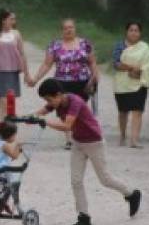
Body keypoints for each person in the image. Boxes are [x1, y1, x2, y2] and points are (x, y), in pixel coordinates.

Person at [33, 78, 142, 225]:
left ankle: (131, 194)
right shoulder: (57, 102)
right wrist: (29, 117)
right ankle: (83, 217)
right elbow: (42, 111)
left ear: (58, 94)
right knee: (76, 180)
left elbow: (67, 126)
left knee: (105, 179)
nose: (48, 103)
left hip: (94, 143)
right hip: (78, 143)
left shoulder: (74, 102)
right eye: (46, 100)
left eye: (49, 99)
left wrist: (45, 122)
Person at [29, 18, 98, 149]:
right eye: (65, 28)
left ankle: (79, 134)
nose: (68, 30)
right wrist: (36, 78)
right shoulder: (55, 45)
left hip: (82, 81)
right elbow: (47, 64)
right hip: (62, 82)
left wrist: (94, 78)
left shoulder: (85, 44)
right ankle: (69, 139)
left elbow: (92, 62)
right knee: (63, 110)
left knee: (78, 109)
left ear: (75, 28)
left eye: (71, 27)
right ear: (62, 30)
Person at [0, 9, 30, 123]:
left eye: (14, 19)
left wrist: (27, 74)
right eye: (11, 19)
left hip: (11, 75)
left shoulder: (16, 34)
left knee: (8, 108)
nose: (14, 21)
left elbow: (22, 54)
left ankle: (5, 136)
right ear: (3, 20)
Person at [112, 21, 149, 148]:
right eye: (131, 30)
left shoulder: (144, 48)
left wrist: (140, 71)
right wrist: (131, 68)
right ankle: (123, 136)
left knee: (138, 111)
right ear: (126, 32)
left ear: (140, 33)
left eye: (136, 30)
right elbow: (117, 64)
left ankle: (134, 139)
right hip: (122, 84)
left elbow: (148, 65)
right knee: (123, 111)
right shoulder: (120, 46)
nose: (134, 33)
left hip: (139, 82)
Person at [0, 120, 23, 206]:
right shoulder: (5, 145)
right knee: (14, 183)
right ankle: (7, 201)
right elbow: (15, 156)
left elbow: (5, 157)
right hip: (3, 170)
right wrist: (18, 146)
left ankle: (3, 199)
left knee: (8, 185)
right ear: (11, 136)